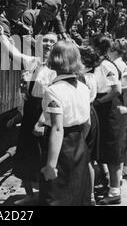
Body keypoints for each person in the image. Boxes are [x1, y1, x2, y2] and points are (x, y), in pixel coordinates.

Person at [39, 41, 91, 206]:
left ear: (55, 59)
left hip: (60, 148)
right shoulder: (84, 88)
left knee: (55, 197)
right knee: (77, 194)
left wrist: (50, 165)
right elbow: (88, 123)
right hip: (80, 144)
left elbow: (57, 128)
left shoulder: (53, 90)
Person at [13, 33, 57, 205]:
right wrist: (1, 35)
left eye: (52, 42)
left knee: (42, 155)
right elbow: (13, 53)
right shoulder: (32, 61)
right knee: (25, 153)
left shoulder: (56, 67)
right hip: (29, 111)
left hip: (43, 112)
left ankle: (47, 195)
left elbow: (52, 99)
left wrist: (41, 120)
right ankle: (29, 194)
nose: (47, 44)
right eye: (45, 40)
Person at [92, 35, 124, 205]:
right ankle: (108, 184)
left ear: (98, 49)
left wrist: (97, 102)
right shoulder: (100, 64)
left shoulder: (105, 65)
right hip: (103, 108)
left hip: (108, 108)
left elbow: (116, 90)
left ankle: (114, 192)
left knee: (112, 150)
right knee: (104, 147)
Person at [107, 39, 127, 177]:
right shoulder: (120, 64)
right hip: (122, 102)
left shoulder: (116, 64)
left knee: (121, 138)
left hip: (119, 103)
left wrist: (116, 89)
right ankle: (124, 166)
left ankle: (123, 168)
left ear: (114, 51)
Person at [79, 45, 100, 205]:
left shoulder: (82, 77)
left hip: (85, 116)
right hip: (91, 113)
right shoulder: (91, 75)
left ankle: (86, 195)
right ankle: (90, 195)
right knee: (89, 159)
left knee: (84, 157)